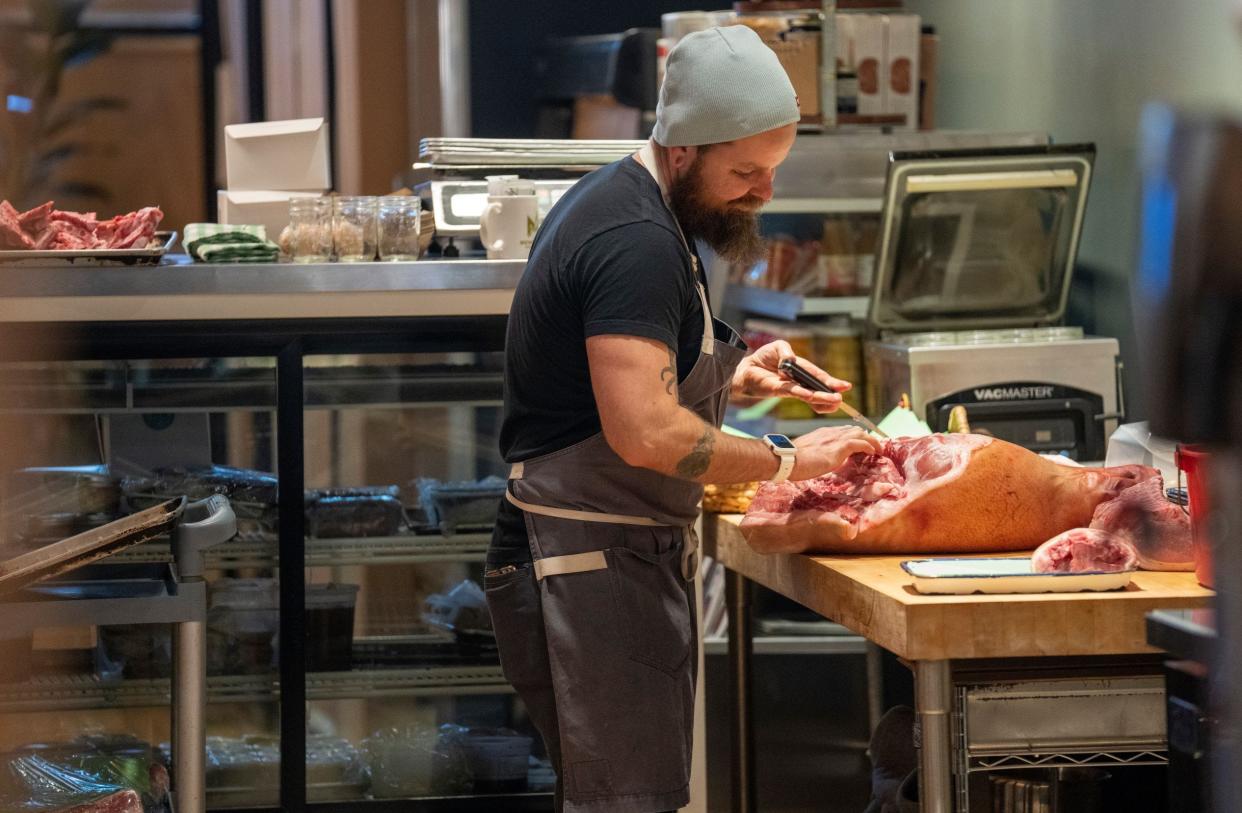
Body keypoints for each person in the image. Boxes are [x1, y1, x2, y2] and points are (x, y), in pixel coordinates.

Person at [486, 25, 883, 813]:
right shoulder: (635, 240)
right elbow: (645, 433)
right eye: (745, 172)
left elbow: (625, 376)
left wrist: (736, 369)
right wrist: (791, 462)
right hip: (586, 565)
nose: (764, 192)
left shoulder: (642, 204)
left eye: (772, 169)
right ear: (681, 151)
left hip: (614, 557)